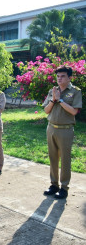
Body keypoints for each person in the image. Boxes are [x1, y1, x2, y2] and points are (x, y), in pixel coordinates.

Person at [42, 66, 82, 199]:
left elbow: (74, 111)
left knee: (65, 160)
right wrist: (54, 100)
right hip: (51, 128)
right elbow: (46, 110)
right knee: (53, 158)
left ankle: (64, 187)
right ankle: (54, 185)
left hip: (65, 130)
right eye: (58, 76)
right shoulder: (52, 91)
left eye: (63, 76)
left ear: (69, 77)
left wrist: (60, 100)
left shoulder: (75, 91)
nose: (59, 79)